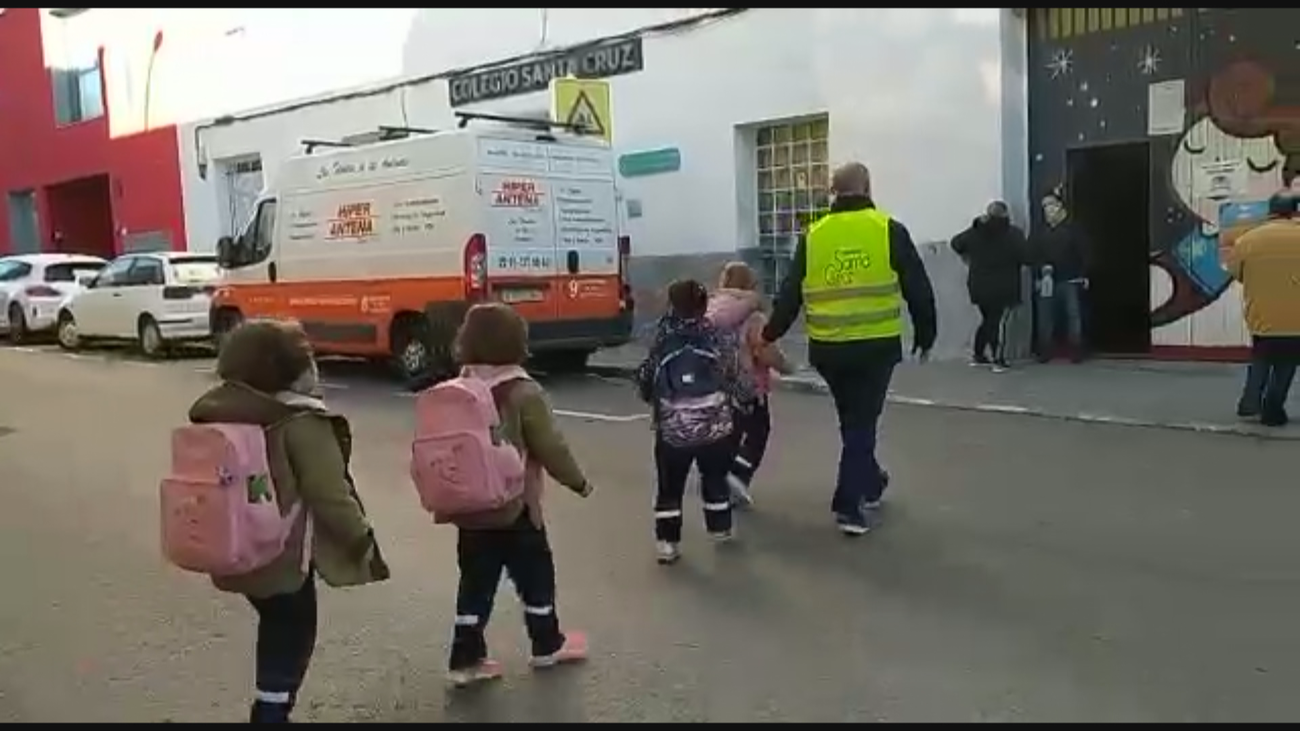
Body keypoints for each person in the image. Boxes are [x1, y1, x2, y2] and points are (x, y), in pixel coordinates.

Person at [187, 319, 390, 724]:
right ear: (290, 369)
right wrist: (360, 540)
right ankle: (271, 714)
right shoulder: (299, 421)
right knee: (294, 629)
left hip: (231, 544)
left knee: (276, 622)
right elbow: (330, 494)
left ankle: (271, 707)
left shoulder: (219, 413)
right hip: (281, 553)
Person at [760, 162, 938, 536]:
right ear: (868, 187)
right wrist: (926, 333)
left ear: (832, 191)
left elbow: (790, 293)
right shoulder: (888, 229)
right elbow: (917, 286)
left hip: (829, 350)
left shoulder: (814, 236)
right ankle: (848, 505)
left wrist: (769, 333)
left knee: (854, 422)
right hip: (875, 348)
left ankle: (871, 482)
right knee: (862, 424)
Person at [443, 303, 592, 686]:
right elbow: (550, 446)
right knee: (536, 577)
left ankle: (465, 657)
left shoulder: (458, 388)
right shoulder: (523, 391)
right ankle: (547, 644)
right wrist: (578, 482)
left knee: (475, 583)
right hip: (516, 507)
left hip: (471, 508)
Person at [636, 279, 746, 563]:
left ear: (672, 305)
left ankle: (668, 542)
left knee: (670, 485)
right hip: (715, 428)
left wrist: (657, 402)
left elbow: (647, 379)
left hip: (673, 430)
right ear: (703, 305)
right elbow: (733, 374)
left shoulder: (661, 338)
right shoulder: (717, 335)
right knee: (714, 476)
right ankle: (720, 527)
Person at [705, 261, 795, 508]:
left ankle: (721, 486)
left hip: (717, 384)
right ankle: (737, 474)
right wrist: (787, 367)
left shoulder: (711, 308)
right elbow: (764, 350)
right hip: (748, 385)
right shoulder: (751, 314)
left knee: (730, 434)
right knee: (759, 432)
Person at [1225, 190, 1300, 427]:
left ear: (1270, 211)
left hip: (1262, 314)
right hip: (1296, 318)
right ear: (1295, 211)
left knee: (1262, 356)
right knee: (1287, 362)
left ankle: (1250, 402)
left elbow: (1237, 274)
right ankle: (1273, 409)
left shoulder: (1248, 240)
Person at [951, 201, 1028, 372]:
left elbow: (956, 243)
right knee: (997, 323)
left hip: (978, 285)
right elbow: (1025, 256)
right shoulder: (1013, 234)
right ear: (1006, 214)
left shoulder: (976, 231)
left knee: (988, 320)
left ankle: (978, 355)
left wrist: (967, 257)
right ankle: (998, 359)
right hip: (1003, 286)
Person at [1031, 190, 1091, 363]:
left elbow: (1085, 253)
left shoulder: (1073, 229)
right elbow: (1031, 253)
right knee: (1045, 316)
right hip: (1046, 280)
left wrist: (1083, 274)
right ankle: (1044, 350)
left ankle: (1076, 349)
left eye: (1051, 205)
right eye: (1044, 206)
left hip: (1070, 278)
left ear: (1060, 206)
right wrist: (1039, 270)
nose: (1047, 210)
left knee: (1073, 315)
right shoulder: (1040, 231)